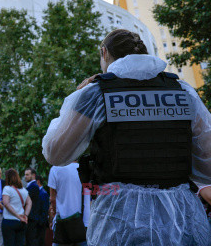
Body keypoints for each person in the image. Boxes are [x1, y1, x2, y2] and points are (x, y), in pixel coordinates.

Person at [42, 29, 211, 245]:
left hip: (119, 221)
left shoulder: (96, 94)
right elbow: (208, 164)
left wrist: (77, 101)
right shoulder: (183, 92)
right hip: (181, 220)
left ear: (104, 53)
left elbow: (55, 153)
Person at [48, 163, 89, 246]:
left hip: (63, 221)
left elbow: (52, 199)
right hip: (84, 221)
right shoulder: (84, 168)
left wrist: (54, 213)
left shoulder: (56, 169)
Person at [1, 168, 31, 246]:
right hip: (21, 222)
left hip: (9, 221)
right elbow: (29, 203)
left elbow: (6, 203)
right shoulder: (24, 190)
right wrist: (26, 215)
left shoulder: (7, 189)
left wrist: (17, 215)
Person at [24, 168, 39, 246]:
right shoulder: (31, 186)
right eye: (25, 175)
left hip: (31, 217)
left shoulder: (33, 186)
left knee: (30, 239)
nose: (25, 176)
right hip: (30, 217)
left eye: (27, 175)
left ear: (33, 175)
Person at [36, 175, 50, 246]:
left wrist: (40, 222)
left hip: (41, 223)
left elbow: (45, 209)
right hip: (39, 222)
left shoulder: (43, 193)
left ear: (38, 182)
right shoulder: (40, 192)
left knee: (40, 241)